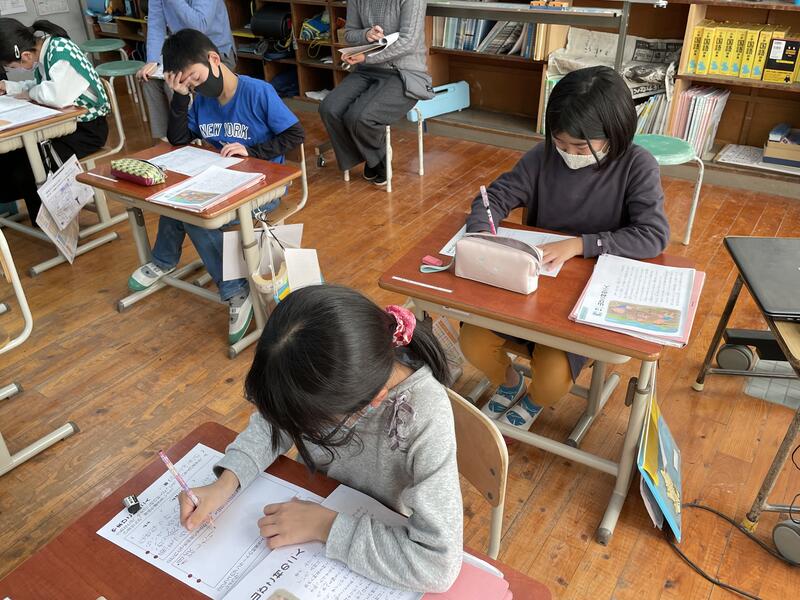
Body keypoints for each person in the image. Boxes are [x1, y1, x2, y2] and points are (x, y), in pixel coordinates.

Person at [177, 285, 463, 593]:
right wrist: (226, 482)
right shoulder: (328, 361)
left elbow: (438, 566)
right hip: (312, 498)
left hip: (367, 529)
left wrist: (324, 526)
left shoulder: (425, 415)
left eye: (311, 422)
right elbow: (276, 419)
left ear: (374, 401)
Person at [459, 66, 670, 431]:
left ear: (616, 133)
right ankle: (510, 383)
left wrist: (581, 244)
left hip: (585, 296)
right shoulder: (542, 157)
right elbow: (495, 197)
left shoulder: (637, 166)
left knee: (553, 377)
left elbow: (652, 234)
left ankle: (535, 400)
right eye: (561, 143)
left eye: (581, 147)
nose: (569, 154)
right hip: (529, 285)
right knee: (472, 341)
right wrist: (482, 232)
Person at [128, 29, 304, 345]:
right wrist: (180, 97)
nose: (195, 87)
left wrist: (252, 151)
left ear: (213, 59)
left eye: (195, 79)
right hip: (223, 182)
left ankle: (235, 290)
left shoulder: (258, 92)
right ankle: (164, 261)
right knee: (175, 201)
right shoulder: (202, 100)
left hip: (264, 188)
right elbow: (179, 139)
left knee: (197, 216)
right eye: (188, 85)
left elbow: (295, 135)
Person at [0, 19, 109, 222]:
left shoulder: (60, 52)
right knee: (14, 157)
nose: (17, 70)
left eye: (13, 66)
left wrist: (29, 93)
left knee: (30, 166)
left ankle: (51, 222)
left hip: (87, 130)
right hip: (65, 127)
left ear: (25, 56)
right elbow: (40, 85)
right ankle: (45, 219)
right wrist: (10, 87)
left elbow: (56, 96)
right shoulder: (44, 51)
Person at [319, 0, 432, 187]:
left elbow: (408, 42)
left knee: (359, 117)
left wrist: (366, 57)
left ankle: (376, 159)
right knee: (329, 109)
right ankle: (372, 156)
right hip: (367, 70)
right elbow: (349, 34)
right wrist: (366, 34)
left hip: (404, 72)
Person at [137, 0, 235, 142]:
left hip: (214, 54)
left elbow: (199, 26)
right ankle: (165, 140)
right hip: (182, 55)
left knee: (174, 82)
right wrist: (152, 60)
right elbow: (155, 24)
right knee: (149, 79)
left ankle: (188, 135)